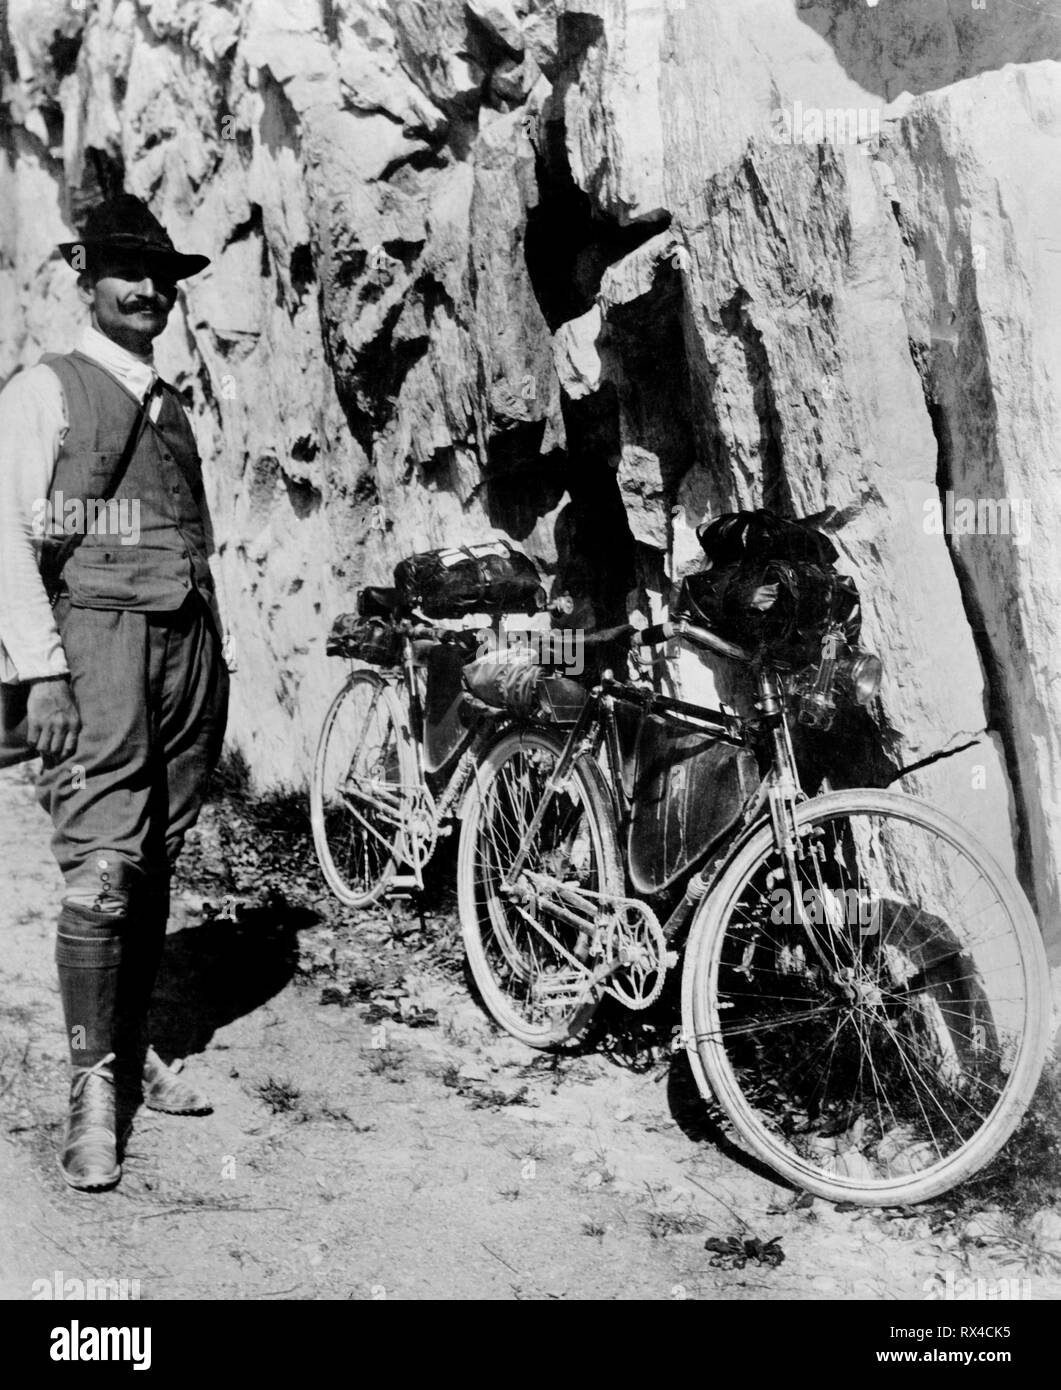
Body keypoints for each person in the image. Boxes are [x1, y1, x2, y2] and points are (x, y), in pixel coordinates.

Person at [0, 193, 229, 1191]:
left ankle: (131, 1046)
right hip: (94, 648)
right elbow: (7, 536)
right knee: (100, 863)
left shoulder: (170, 400)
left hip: (184, 647)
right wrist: (40, 670)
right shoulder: (45, 389)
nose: (149, 290)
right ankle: (91, 1090)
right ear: (85, 280)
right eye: (126, 271)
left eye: (163, 275)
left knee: (155, 850)